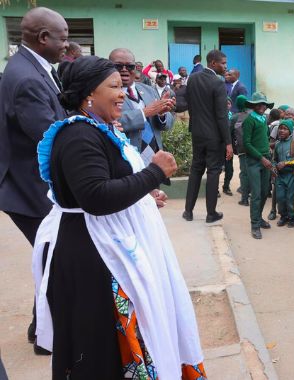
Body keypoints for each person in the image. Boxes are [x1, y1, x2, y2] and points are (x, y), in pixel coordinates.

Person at [32, 55, 205, 378]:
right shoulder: (79, 136)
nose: (123, 91)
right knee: (101, 349)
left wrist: (142, 195)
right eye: (113, 86)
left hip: (105, 245)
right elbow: (96, 197)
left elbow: (106, 183)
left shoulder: (99, 129)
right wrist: (154, 173)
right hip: (95, 258)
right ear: (88, 95)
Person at [0, 7, 68, 355]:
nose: (67, 45)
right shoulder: (26, 78)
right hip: (28, 188)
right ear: (43, 38)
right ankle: (46, 337)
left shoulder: (33, 68)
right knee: (58, 255)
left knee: (51, 257)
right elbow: (49, 137)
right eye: (63, 37)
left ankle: (38, 327)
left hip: (29, 185)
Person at [183, 49, 231, 223]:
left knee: (195, 170)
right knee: (213, 172)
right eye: (223, 63)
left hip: (197, 133)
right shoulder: (218, 83)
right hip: (213, 137)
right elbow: (221, 115)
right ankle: (211, 213)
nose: (226, 67)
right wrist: (228, 142)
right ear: (213, 63)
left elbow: (189, 103)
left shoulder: (193, 78)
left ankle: (188, 211)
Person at [109, 48, 175, 158]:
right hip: (128, 161)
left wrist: (161, 114)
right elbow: (111, 123)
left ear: (135, 69)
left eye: (130, 66)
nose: (124, 70)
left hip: (155, 160)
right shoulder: (106, 93)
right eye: (118, 66)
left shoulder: (149, 90)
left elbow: (168, 124)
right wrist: (145, 113)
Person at [242, 92, 275, 239]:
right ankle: (254, 225)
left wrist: (268, 148)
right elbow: (247, 144)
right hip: (255, 161)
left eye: (264, 104)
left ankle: (259, 217)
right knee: (255, 194)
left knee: (263, 192)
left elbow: (263, 138)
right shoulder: (249, 120)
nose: (262, 107)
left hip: (265, 159)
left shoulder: (263, 119)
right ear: (254, 105)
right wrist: (262, 158)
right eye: (259, 104)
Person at [273, 119, 294, 227]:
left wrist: (286, 163)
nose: (282, 131)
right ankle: (283, 216)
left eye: (285, 129)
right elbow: (274, 159)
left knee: (290, 198)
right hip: (280, 176)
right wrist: (274, 167)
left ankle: (293, 218)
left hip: (291, 175)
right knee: (280, 197)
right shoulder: (277, 144)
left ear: (290, 131)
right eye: (280, 128)